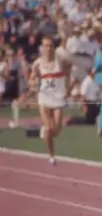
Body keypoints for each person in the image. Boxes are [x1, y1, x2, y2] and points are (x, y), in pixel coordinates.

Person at [29, 36, 72, 165]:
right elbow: (32, 77)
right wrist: (33, 84)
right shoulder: (37, 63)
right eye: (46, 46)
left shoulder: (61, 61)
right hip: (44, 97)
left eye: (50, 46)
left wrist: (67, 88)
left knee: (57, 129)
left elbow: (68, 73)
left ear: (54, 47)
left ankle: (45, 134)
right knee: (48, 128)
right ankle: (51, 156)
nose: (48, 48)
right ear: (42, 48)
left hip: (58, 97)